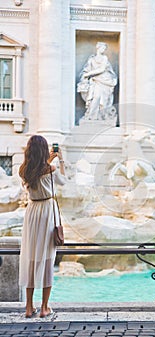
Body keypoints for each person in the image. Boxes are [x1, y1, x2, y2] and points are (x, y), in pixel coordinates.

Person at [19, 135, 66, 318]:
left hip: (32, 212)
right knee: (47, 258)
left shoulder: (23, 170)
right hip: (47, 211)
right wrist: (59, 158)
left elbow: (36, 172)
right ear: (44, 150)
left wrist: (47, 160)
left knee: (31, 257)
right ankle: (45, 307)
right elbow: (63, 181)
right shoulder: (50, 169)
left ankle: (29, 307)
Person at [77, 41, 117, 120]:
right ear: (98, 48)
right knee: (95, 97)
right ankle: (91, 116)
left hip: (105, 80)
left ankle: (100, 117)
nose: (103, 50)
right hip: (95, 81)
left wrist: (88, 74)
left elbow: (102, 69)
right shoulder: (92, 59)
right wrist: (84, 76)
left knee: (102, 99)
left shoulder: (104, 58)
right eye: (103, 48)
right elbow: (86, 70)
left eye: (105, 49)